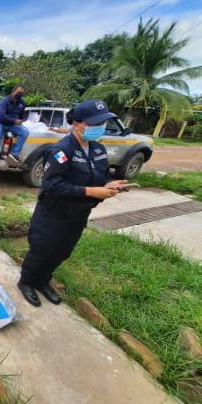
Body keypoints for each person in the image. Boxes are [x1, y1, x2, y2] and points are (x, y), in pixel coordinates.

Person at [17, 99, 129, 307]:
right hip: (53, 214)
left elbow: (100, 176)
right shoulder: (61, 149)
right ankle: (26, 282)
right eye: (94, 123)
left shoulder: (98, 149)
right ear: (77, 124)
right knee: (42, 250)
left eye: (103, 123)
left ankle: (43, 281)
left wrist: (109, 184)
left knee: (62, 251)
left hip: (78, 214)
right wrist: (91, 191)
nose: (100, 128)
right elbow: (51, 185)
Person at [0, 84, 28, 164]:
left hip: (12, 125)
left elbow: (21, 115)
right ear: (13, 91)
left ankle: (14, 153)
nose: (19, 95)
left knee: (25, 132)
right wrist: (14, 121)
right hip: (0, 123)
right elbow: (1, 116)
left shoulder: (22, 102)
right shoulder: (4, 101)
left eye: (22, 93)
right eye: (18, 92)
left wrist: (20, 121)